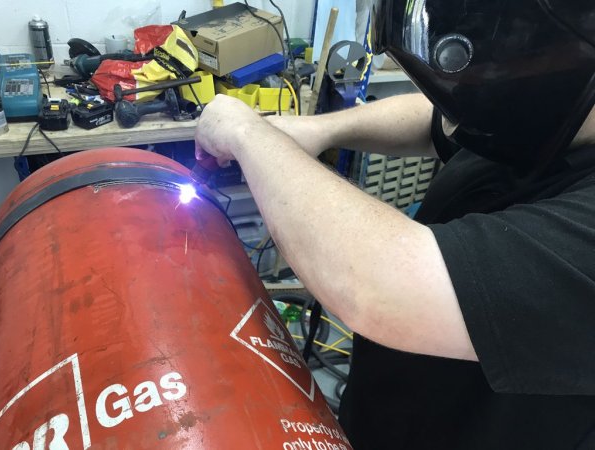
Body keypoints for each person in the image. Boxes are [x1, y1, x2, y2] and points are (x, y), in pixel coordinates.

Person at [194, 1, 595, 448]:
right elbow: (436, 118)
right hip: (384, 418)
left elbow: (380, 286)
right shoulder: (543, 117)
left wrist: (249, 135)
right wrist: (320, 130)